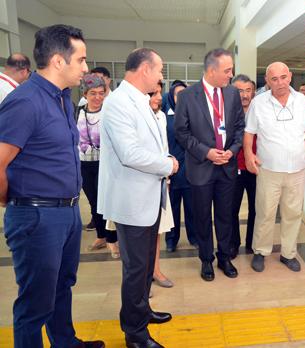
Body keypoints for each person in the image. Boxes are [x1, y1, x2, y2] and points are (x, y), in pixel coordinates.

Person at [0, 24, 104, 348]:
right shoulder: (26, 102)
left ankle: (65, 342)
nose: (86, 68)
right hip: (37, 216)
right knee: (35, 303)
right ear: (59, 61)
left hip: (67, 211)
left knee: (62, 286)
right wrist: (12, 200)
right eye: (82, 59)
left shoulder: (63, 99)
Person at [98, 48, 177, 348]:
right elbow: (130, 154)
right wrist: (168, 164)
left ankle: (142, 311)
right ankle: (134, 333)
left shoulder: (141, 101)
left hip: (148, 195)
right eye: (158, 70)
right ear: (144, 69)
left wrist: (164, 157)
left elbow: (150, 144)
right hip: (131, 200)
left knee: (144, 266)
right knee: (135, 269)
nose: (160, 77)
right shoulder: (119, 103)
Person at [175, 48, 245, 282]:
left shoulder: (233, 94)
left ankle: (224, 257)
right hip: (201, 167)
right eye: (227, 70)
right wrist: (207, 153)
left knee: (226, 215)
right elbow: (181, 133)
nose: (231, 74)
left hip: (226, 167)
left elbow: (239, 128)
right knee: (202, 216)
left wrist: (232, 151)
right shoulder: (187, 96)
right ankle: (206, 260)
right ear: (211, 70)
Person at [245, 62, 305, 273]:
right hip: (269, 170)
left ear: (290, 77)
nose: (280, 83)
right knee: (265, 213)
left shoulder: (301, 100)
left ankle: (288, 254)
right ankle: (260, 252)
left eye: (283, 77)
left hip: (297, 170)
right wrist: (249, 155)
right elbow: (249, 132)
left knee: (293, 214)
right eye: (274, 79)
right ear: (267, 82)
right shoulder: (258, 103)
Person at [77, 74, 119, 258]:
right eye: (92, 93)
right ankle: (101, 235)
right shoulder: (76, 112)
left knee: (107, 202)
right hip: (84, 164)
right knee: (94, 202)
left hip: (105, 164)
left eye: (101, 93)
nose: (97, 97)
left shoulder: (110, 112)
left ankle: (112, 238)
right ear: (85, 94)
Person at [164, 80, 198, 251]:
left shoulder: (194, 113)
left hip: (191, 166)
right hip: (173, 167)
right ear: (171, 95)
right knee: (173, 207)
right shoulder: (165, 114)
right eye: (178, 94)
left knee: (192, 206)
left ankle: (194, 237)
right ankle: (171, 239)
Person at [149, 81, 175, 288]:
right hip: (138, 183)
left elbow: (163, 147)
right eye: (153, 93)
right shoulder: (133, 116)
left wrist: (167, 168)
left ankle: (155, 270)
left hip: (159, 180)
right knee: (137, 237)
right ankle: (141, 280)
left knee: (157, 231)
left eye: (160, 92)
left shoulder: (161, 116)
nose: (159, 97)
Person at [231, 74, 257, 257]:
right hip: (233, 169)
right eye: (240, 91)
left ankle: (252, 244)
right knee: (231, 209)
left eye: (248, 90)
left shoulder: (261, 111)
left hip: (256, 168)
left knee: (257, 209)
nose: (244, 95)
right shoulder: (227, 112)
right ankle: (233, 245)